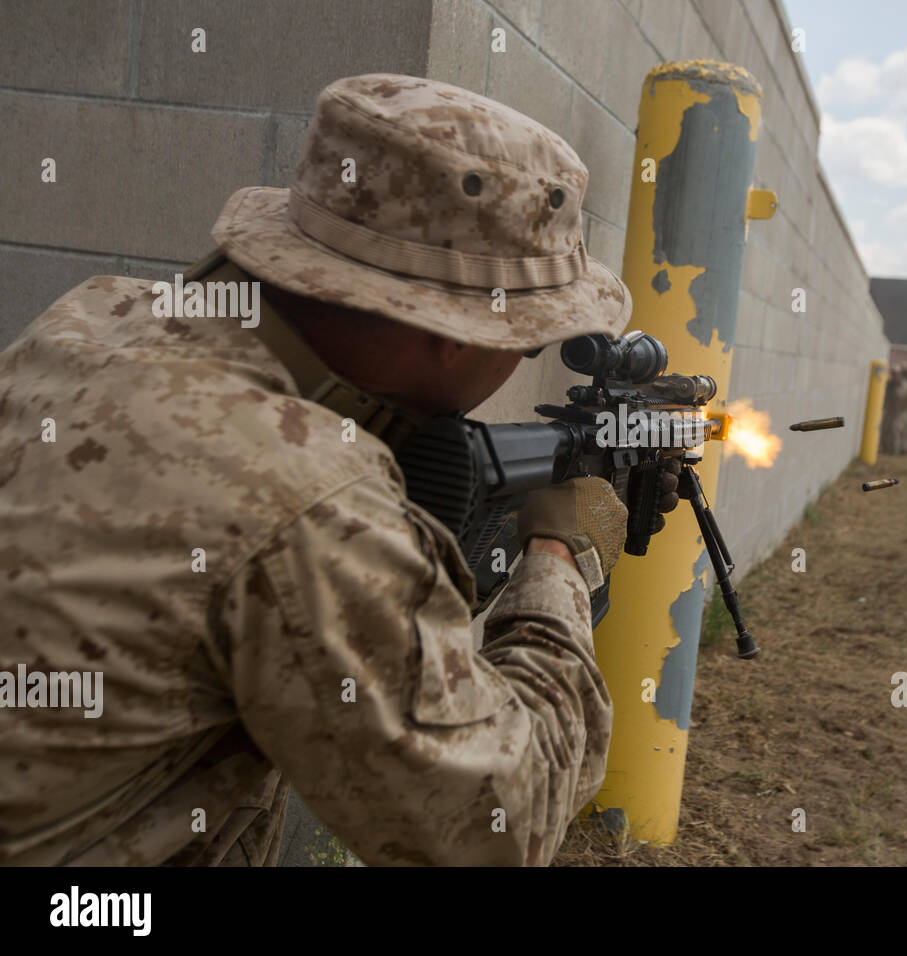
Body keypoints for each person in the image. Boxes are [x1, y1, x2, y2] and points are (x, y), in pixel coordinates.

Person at [0, 74, 657, 866]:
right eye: (528, 341)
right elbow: (500, 827)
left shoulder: (97, 314)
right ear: (457, 337)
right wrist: (558, 562)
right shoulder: (308, 500)